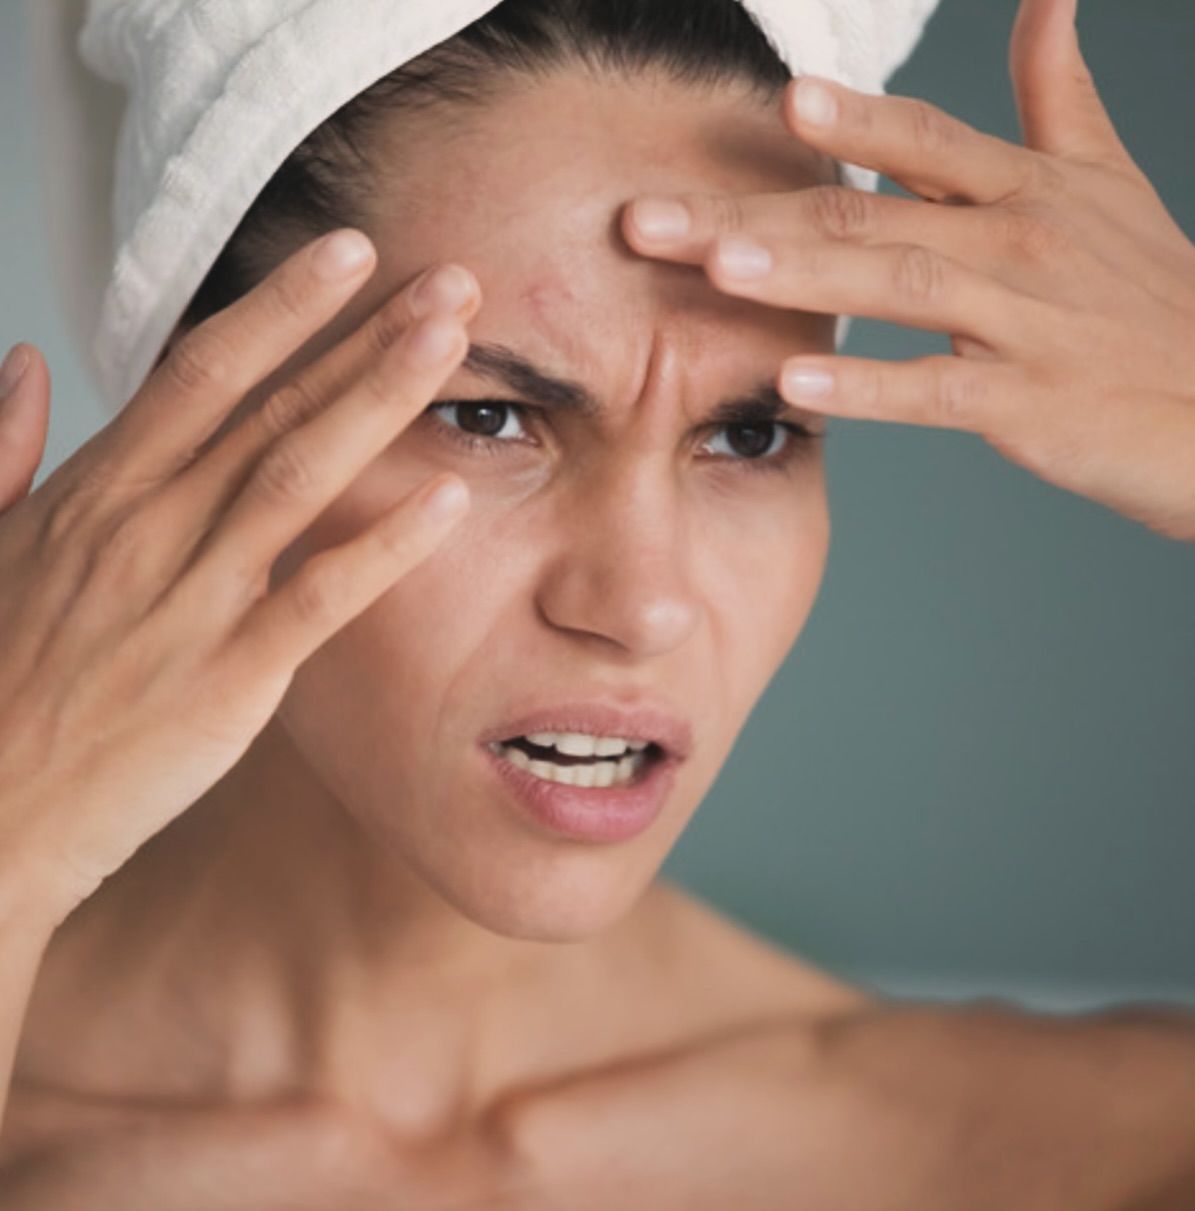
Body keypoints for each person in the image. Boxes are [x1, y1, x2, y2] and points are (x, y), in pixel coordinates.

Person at [1, 0, 1194, 1205]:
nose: (640, 604)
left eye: (747, 432)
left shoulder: (1048, 1151)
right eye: (484, 416)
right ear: (187, 410)